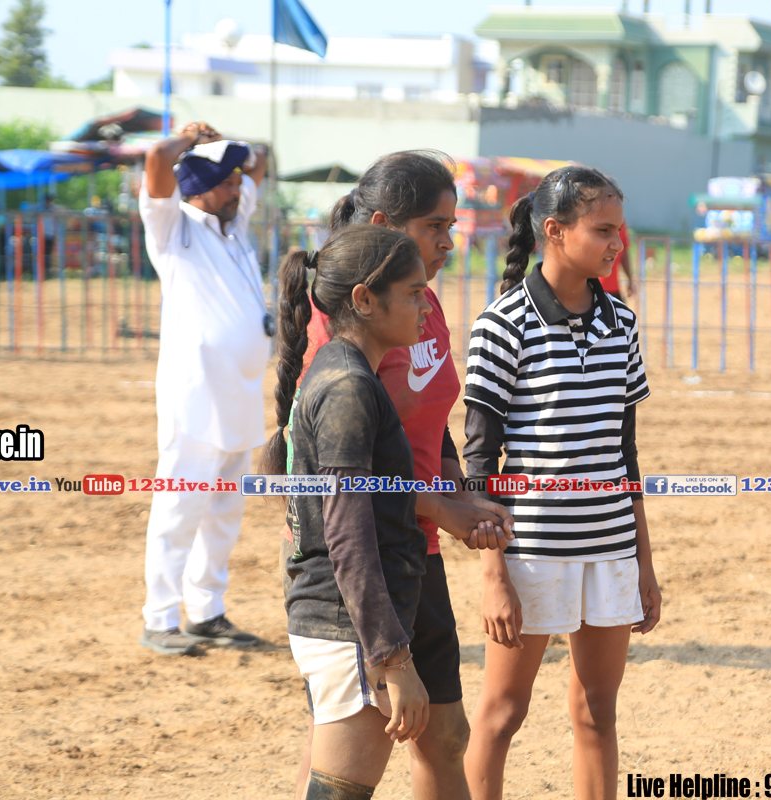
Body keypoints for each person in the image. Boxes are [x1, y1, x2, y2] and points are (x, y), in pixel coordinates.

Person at [289, 151, 514, 800]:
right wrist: (443, 508)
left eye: (451, 226)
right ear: (384, 226)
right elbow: (341, 485)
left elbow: (430, 418)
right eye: (433, 226)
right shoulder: (344, 333)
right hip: (360, 556)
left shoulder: (419, 304)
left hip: (412, 546)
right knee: (347, 760)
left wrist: (458, 495)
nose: (448, 242)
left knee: (444, 737)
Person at [461, 166, 663, 800]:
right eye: (602, 230)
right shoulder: (502, 325)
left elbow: (626, 455)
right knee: (502, 713)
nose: (616, 244)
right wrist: (494, 577)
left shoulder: (622, 323)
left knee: (597, 710)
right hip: (530, 552)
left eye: (619, 231)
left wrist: (643, 563)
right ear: (554, 230)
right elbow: (479, 465)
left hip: (610, 549)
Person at [267, 224, 447, 799]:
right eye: (413, 293)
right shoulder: (348, 385)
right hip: (349, 627)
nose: (426, 307)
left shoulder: (343, 371)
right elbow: (348, 535)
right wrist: (393, 658)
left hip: (343, 621)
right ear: (365, 300)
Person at [137, 121, 270, 655]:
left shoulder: (233, 223)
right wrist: (187, 138)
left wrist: (226, 142)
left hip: (241, 394)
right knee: (179, 508)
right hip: (195, 396)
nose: (239, 188)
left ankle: (207, 612)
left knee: (224, 510)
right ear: (198, 187)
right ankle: (159, 618)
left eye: (237, 180)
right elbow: (156, 158)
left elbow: (261, 159)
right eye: (227, 181)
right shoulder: (173, 227)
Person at [597, 222, 633, 302]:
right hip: (593, 288)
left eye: (618, 230)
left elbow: (624, 253)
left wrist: (629, 278)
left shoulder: (620, 221)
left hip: (614, 289)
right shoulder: (594, 219)